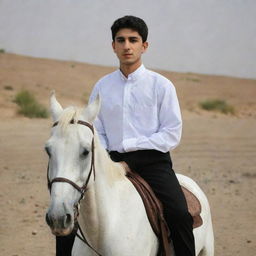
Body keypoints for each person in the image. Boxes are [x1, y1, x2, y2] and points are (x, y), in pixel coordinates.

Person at [56, 15, 195, 256]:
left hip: (153, 162)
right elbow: (95, 128)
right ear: (113, 46)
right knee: (69, 214)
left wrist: (132, 147)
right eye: (120, 40)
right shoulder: (102, 86)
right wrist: (111, 156)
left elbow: (171, 133)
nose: (127, 46)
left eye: (133, 40)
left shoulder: (161, 86)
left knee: (179, 214)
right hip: (109, 161)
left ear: (145, 45)